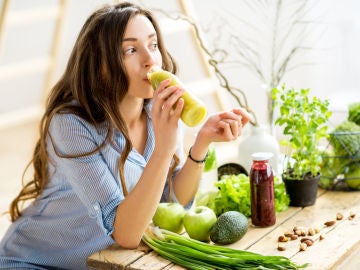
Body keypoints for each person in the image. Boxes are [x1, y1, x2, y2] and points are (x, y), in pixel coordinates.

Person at [0, 2, 250, 269]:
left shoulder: (157, 111)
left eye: (153, 45)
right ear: (101, 66)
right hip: (35, 262)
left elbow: (167, 202)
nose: (150, 59)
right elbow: (126, 233)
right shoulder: (70, 125)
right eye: (131, 50)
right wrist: (164, 148)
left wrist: (201, 143)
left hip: (104, 263)